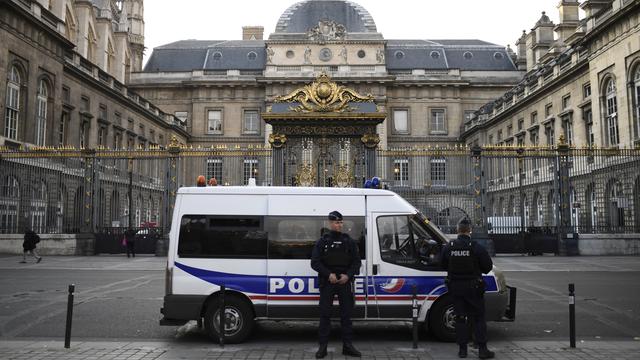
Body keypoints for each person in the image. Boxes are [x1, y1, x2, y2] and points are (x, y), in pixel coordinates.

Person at [441, 218, 495, 359]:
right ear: (469, 230)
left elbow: (442, 264)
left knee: (460, 318)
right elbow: (488, 267)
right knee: (478, 318)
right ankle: (482, 349)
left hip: (456, 287)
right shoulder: (475, 247)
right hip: (473, 288)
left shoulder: (449, 246)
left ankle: (462, 350)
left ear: (457, 230)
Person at [311, 211, 361, 359]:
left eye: (340, 222)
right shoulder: (323, 241)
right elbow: (315, 262)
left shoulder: (349, 241)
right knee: (325, 315)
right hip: (328, 282)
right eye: (336, 222)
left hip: (344, 282)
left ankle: (348, 346)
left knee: (346, 316)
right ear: (330, 223)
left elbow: (356, 262)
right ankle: (323, 347)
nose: (339, 225)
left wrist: (348, 275)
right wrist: (329, 274)